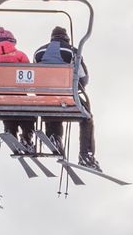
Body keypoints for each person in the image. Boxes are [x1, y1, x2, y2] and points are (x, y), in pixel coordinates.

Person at [33, 25, 98, 169]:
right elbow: (83, 78)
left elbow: (35, 74)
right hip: (65, 94)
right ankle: (85, 154)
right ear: (66, 39)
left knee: (51, 104)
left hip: (44, 97)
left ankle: (54, 137)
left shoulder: (39, 52)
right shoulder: (72, 51)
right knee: (86, 116)